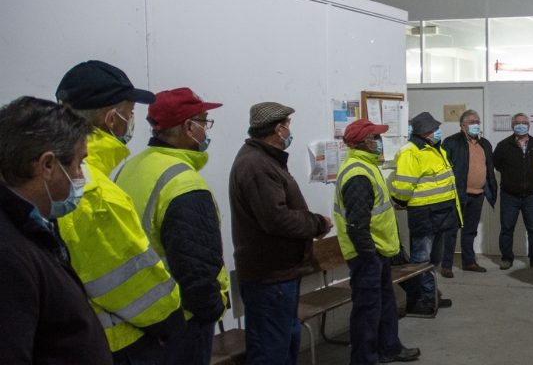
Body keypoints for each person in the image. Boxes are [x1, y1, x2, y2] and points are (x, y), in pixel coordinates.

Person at [54, 60, 186, 363]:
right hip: (122, 344)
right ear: (112, 119)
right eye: (130, 112)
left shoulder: (61, 175)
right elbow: (130, 282)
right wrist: (171, 320)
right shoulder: (93, 190)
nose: (132, 120)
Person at [116, 88, 230, 365]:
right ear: (189, 127)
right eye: (204, 121)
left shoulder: (130, 167)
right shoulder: (183, 183)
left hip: (138, 316)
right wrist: (211, 310)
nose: (206, 130)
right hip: (182, 319)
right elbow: (196, 266)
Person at [0, 97, 112, 364]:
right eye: (78, 163)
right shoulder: (8, 255)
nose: (81, 177)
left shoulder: (31, 224)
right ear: (47, 165)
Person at [229, 102, 331, 365]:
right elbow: (277, 219)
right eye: (288, 125)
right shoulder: (257, 165)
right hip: (270, 277)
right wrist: (317, 223)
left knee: (283, 341)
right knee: (270, 348)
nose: (289, 130)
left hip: (281, 273)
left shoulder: (265, 160)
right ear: (279, 129)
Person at [334, 120, 421, 364]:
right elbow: (356, 224)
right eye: (376, 137)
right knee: (367, 310)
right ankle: (364, 358)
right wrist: (369, 254)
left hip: (379, 252)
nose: (380, 141)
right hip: (366, 256)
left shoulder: (367, 166)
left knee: (384, 303)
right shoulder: (357, 174)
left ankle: (389, 348)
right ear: (363, 142)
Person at [390, 112, 459, 317]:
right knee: (421, 261)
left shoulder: (436, 149)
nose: (438, 131)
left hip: (442, 213)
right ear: (424, 132)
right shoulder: (410, 152)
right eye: (434, 128)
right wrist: (401, 201)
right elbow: (403, 185)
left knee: (432, 260)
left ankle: (431, 296)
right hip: (425, 215)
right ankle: (421, 300)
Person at [440, 109, 496, 276]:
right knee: (450, 230)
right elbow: (444, 169)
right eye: (471, 122)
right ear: (462, 125)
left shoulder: (485, 144)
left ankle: (469, 262)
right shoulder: (451, 142)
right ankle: (446, 265)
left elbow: (489, 168)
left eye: (477, 121)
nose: (475, 124)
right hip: (457, 195)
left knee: (470, 230)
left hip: (478, 194)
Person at [493, 113, 533, 270]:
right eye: (517, 123)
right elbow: (497, 164)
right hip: (509, 195)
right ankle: (507, 258)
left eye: (524, 122)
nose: (521, 125)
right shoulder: (503, 145)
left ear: (529, 126)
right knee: (507, 228)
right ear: (512, 125)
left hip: (531, 195)